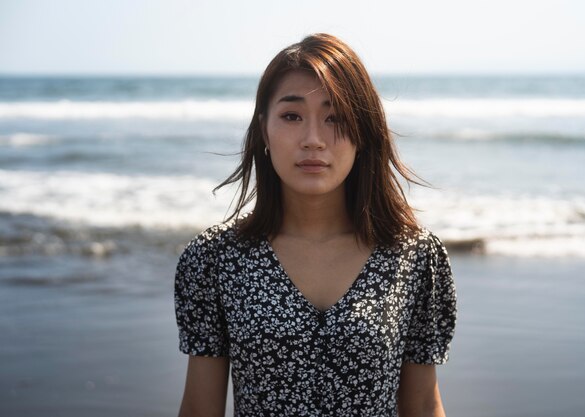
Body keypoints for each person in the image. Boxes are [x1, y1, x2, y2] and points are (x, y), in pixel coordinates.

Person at [174, 33, 457, 417]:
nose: (313, 140)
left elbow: (423, 404)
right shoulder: (214, 259)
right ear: (263, 130)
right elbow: (199, 409)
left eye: (335, 118)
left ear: (363, 132)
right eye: (292, 116)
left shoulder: (415, 256)